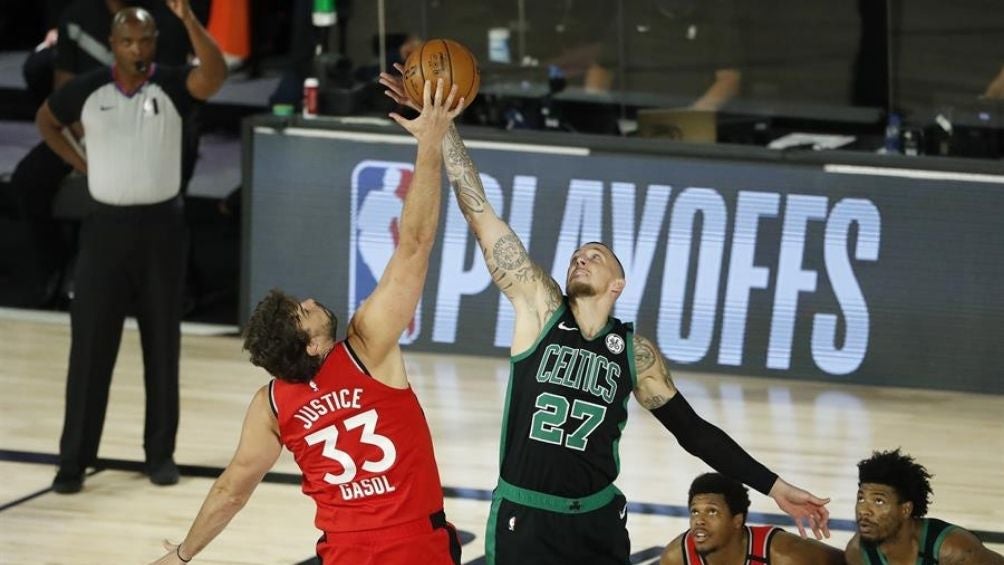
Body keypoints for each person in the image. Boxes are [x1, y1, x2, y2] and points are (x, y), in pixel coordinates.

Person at [380, 69, 830, 565]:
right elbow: (481, 213)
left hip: (597, 519)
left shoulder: (635, 353)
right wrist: (442, 131)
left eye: (596, 256)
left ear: (618, 284)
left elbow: (694, 432)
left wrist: (775, 486)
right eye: (577, 255)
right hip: (527, 514)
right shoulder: (540, 308)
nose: (582, 258)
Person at [148, 79, 466, 565]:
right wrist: (430, 144)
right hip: (413, 545)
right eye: (304, 312)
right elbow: (415, 244)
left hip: (345, 553)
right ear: (313, 346)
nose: (313, 302)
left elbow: (233, 489)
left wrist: (183, 554)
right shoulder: (367, 349)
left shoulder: (272, 404)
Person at [36, 0, 226, 494]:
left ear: (155, 43)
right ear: (114, 45)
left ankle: (160, 455)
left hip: (163, 231)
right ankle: (73, 461)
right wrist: (81, 164)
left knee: (162, 346)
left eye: (144, 40)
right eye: (127, 41)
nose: (136, 49)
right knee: (90, 349)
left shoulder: (174, 86)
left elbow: (216, 75)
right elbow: (46, 120)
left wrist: (190, 20)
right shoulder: (88, 89)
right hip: (105, 232)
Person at [10, 0, 195, 308]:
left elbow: (173, 92)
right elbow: (64, 94)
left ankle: (169, 281)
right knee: (29, 179)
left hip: (150, 131)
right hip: (90, 130)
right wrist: (86, 153)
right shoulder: (76, 15)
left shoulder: (164, 20)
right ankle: (58, 269)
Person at [846, 449, 1003, 565]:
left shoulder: (955, 552)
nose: (863, 510)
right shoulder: (857, 553)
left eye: (879, 501)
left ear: (905, 509)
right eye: (861, 498)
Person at [660, 473, 844, 565]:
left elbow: (850, 559)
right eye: (694, 512)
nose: (699, 520)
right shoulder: (677, 558)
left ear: (737, 520)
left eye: (712, 512)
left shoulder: (783, 554)